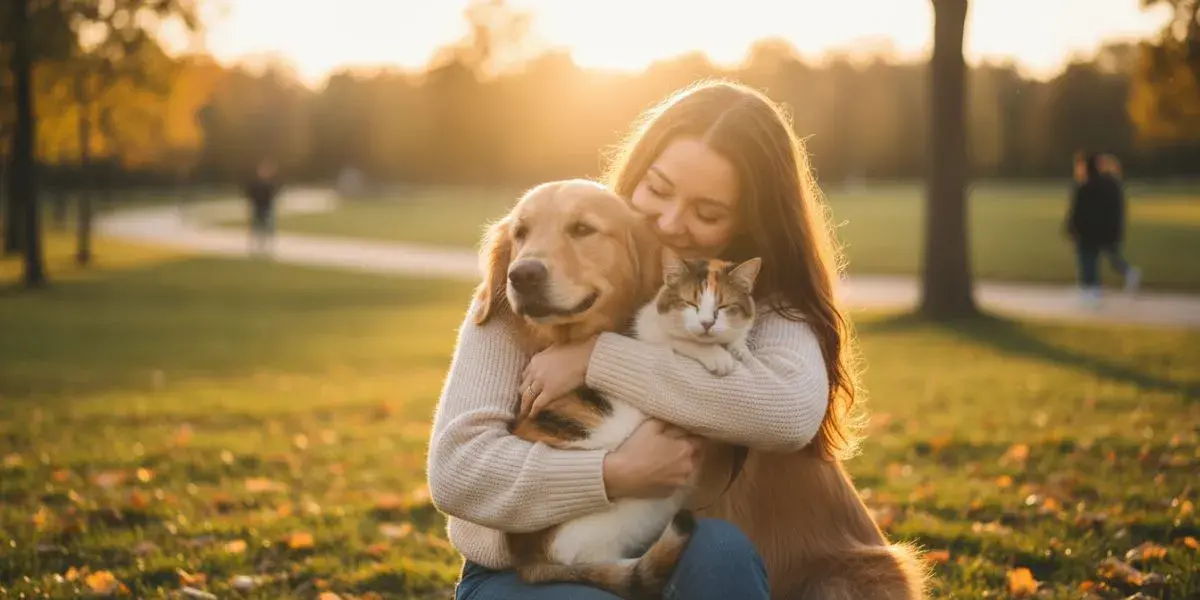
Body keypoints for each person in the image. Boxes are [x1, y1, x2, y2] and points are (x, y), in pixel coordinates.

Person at [428, 80, 862, 599]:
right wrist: (614, 474)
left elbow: (787, 413)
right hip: (521, 569)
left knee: (722, 553)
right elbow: (457, 471)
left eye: (707, 213)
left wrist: (597, 357)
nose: (669, 222)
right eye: (657, 189)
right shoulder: (517, 293)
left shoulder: (739, 300)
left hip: (672, 550)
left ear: (747, 227)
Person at [1065, 152, 1140, 307]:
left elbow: (1078, 212)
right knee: (1106, 255)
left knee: (1088, 258)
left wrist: (1072, 228)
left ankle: (1090, 290)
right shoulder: (1111, 185)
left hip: (1090, 231)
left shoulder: (1085, 187)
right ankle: (1095, 288)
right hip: (1106, 230)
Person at [244, 159, 281, 257]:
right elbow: (251, 194)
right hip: (257, 206)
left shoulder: (270, 184)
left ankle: (267, 244)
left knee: (267, 226)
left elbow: (273, 195)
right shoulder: (256, 184)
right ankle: (257, 244)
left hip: (266, 207)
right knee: (257, 226)